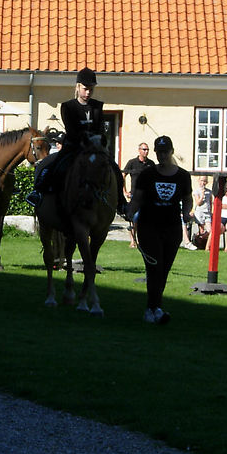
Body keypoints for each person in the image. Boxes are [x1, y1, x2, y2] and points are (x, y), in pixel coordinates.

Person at [27, 68, 127, 211]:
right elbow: (72, 130)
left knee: (114, 168)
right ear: (78, 86)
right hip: (73, 146)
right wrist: (88, 139)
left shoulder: (98, 106)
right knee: (51, 164)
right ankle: (39, 192)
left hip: (95, 147)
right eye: (85, 89)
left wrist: (99, 141)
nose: (88, 93)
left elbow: (99, 128)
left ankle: (121, 202)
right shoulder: (68, 106)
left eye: (91, 90)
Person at [128, 135, 192, 325]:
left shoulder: (182, 176)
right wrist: (131, 211)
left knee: (164, 270)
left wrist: (187, 212)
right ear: (155, 153)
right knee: (154, 267)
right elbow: (137, 198)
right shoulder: (148, 175)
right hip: (149, 226)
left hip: (172, 227)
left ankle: (155, 307)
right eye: (159, 152)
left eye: (166, 152)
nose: (162, 155)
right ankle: (152, 309)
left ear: (172, 151)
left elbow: (187, 198)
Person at [122, 142, 153, 248]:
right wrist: (125, 191)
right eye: (144, 149)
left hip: (147, 197)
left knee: (144, 219)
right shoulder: (132, 163)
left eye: (147, 149)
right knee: (134, 218)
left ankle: (141, 240)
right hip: (135, 196)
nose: (146, 151)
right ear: (139, 150)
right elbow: (123, 175)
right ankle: (132, 240)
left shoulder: (151, 164)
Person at [183, 175, 212, 250]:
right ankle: (200, 244)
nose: (203, 183)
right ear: (199, 181)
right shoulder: (196, 191)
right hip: (199, 212)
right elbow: (198, 203)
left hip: (207, 212)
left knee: (210, 230)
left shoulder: (209, 192)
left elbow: (210, 202)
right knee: (201, 230)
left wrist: (211, 212)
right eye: (202, 181)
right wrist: (202, 196)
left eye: (205, 181)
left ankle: (197, 238)